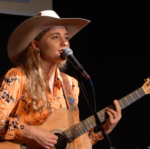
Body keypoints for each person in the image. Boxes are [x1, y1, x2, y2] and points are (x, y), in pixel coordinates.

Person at [0, 10, 121, 149]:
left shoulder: (71, 85)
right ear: (36, 45)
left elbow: (73, 142)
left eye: (66, 37)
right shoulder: (18, 76)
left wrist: (103, 131)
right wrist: (31, 132)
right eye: (55, 37)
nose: (65, 43)